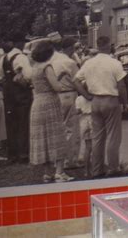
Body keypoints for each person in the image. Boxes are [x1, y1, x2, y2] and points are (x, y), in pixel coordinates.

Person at [74, 36, 128, 178]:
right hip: (110, 100)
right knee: (113, 136)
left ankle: (97, 169)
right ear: (109, 46)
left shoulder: (89, 63)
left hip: (95, 101)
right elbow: (121, 86)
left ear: (97, 46)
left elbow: (76, 81)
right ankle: (113, 167)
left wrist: (87, 95)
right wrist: (125, 103)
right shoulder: (114, 63)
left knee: (97, 137)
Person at [29, 41, 73, 183]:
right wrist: (61, 79)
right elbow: (57, 88)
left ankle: (47, 173)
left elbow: (43, 84)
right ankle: (60, 172)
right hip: (50, 103)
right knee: (56, 136)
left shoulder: (34, 67)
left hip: (38, 102)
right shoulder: (47, 67)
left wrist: (57, 78)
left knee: (44, 138)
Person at [0, 35, 32, 163]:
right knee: (23, 123)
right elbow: (29, 76)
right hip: (22, 94)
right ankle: (23, 154)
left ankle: (12, 154)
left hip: (8, 95)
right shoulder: (21, 57)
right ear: (19, 43)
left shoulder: (3, 58)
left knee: (11, 124)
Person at [51, 37, 81, 169]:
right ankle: (70, 160)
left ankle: (56, 159)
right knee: (71, 129)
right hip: (69, 93)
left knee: (58, 128)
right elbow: (78, 81)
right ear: (69, 48)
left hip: (56, 95)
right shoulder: (69, 62)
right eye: (73, 48)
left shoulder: (53, 60)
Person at [75, 94, 93, 178]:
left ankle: (86, 170)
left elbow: (78, 111)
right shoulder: (94, 97)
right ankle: (93, 168)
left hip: (83, 121)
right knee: (91, 146)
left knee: (86, 146)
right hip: (93, 119)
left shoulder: (79, 99)